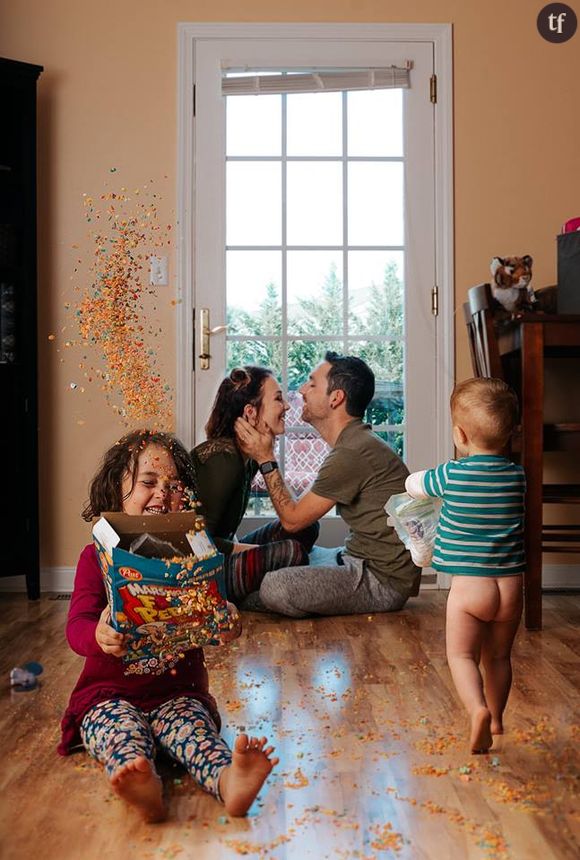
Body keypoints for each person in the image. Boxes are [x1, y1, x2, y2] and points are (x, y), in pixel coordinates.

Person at [59, 429, 278, 822]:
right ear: (116, 492)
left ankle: (230, 781)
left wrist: (227, 622)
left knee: (196, 733)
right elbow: (76, 625)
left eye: (174, 485)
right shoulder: (93, 559)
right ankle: (143, 786)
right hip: (110, 695)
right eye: (148, 482)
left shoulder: (193, 558)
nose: (163, 492)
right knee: (120, 736)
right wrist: (97, 634)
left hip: (178, 692)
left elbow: (214, 620)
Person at [234, 352, 420, 618]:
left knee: (275, 586)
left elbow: (292, 520)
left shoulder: (353, 451)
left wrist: (265, 458)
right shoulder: (354, 443)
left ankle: (235, 594)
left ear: (336, 398)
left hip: (380, 580)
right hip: (350, 557)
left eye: (311, 383)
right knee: (289, 551)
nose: (301, 390)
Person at [405, 378, 525, 753]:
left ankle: (477, 712)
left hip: (470, 587)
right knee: (500, 656)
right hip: (510, 586)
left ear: (460, 434)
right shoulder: (517, 477)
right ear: (510, 435)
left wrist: (416, 482)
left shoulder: (452, 475)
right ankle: (499, 718)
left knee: (461, 656)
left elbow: (414, 484)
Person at [191, 367, 319, 608]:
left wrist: (265, 457)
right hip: (200, 571)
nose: (287, 406)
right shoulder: (223, 458)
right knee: (292, 553)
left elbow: (293, 515)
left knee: (306, 527)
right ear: (250, 412)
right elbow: (198, 542)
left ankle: (255, 583)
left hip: (220, 554)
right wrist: (257, 552)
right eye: (278, 399)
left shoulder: (249, 456)